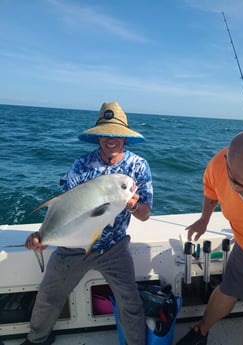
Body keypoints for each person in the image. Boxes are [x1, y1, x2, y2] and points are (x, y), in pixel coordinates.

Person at [21, 101, 153, 345]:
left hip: (114, 246)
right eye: (105, 134)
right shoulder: (81, 165)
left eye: (116, 134)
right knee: (49, 294)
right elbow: (65, 206)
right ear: (98, 137)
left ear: (124, 138)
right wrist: (42, 236)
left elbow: (145, 214)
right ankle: (36, 339)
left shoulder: (138, 167)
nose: (110, 139)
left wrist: (132, 205)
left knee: (130, 302)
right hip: (73, 247)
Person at [176, 130, 243, 345]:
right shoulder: (216, 166)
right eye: (239, 184)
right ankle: (201, 330)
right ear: (227, 166)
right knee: (228, 289)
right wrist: (204, 220)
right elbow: (211, 192)